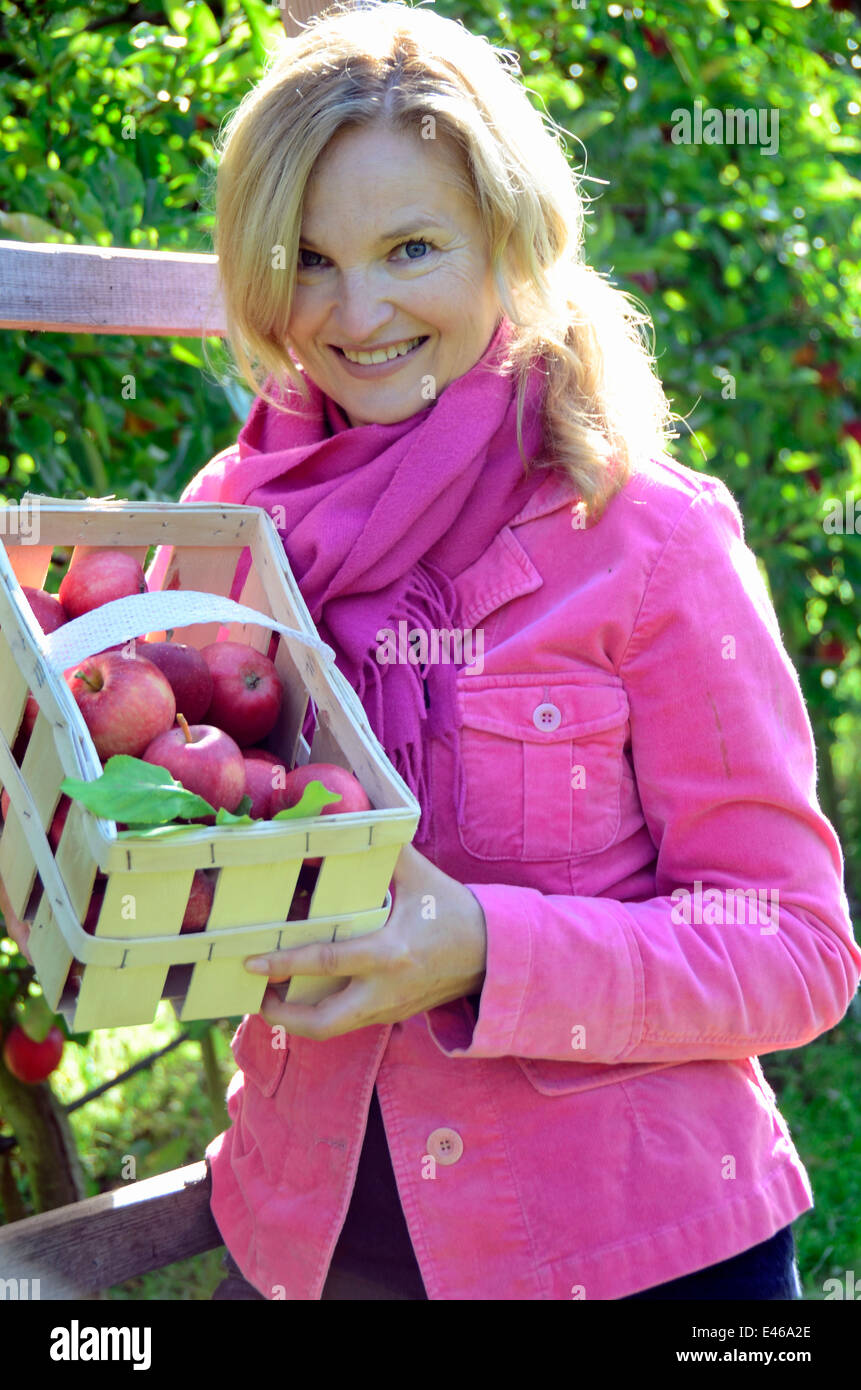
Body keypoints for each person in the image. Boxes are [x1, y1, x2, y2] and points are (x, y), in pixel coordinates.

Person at [4, 1, 859, 1301]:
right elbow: (196, 833)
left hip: (622, 1250)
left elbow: (794, 947)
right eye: (306, 257)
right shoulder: (235, 521)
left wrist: (479, 947)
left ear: (507, 240)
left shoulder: (642, 536)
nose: (355, 314)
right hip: (309, 1232)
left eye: (411, 248)